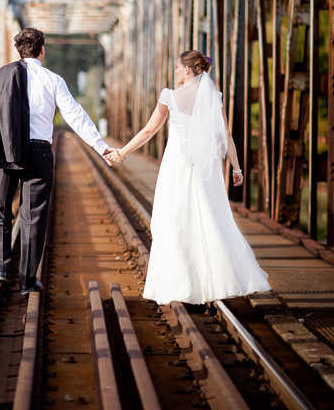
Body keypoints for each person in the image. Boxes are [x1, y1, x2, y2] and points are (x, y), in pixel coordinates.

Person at [105, 50, 270, 305]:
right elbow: (225, 135)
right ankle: (214, 281)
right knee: (209, 220)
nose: (174, 71)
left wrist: (121, 152)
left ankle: (181, 285)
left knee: (175, 222)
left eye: (176, 67)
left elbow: (148, 131)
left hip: (177, 166)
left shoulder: (169, 96)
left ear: (186, 69)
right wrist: (236, 169)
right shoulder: (214, 97)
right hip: (207, 169)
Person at [0, 28, 115, 295]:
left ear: (18, 50)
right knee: (33, 216)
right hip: (39, 153)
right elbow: (75, 115)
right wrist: (100, 146)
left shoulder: (2, 75)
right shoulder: (53, 80)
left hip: (7, 152)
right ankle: (27, 281)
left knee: (0, 210)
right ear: (42, 51)